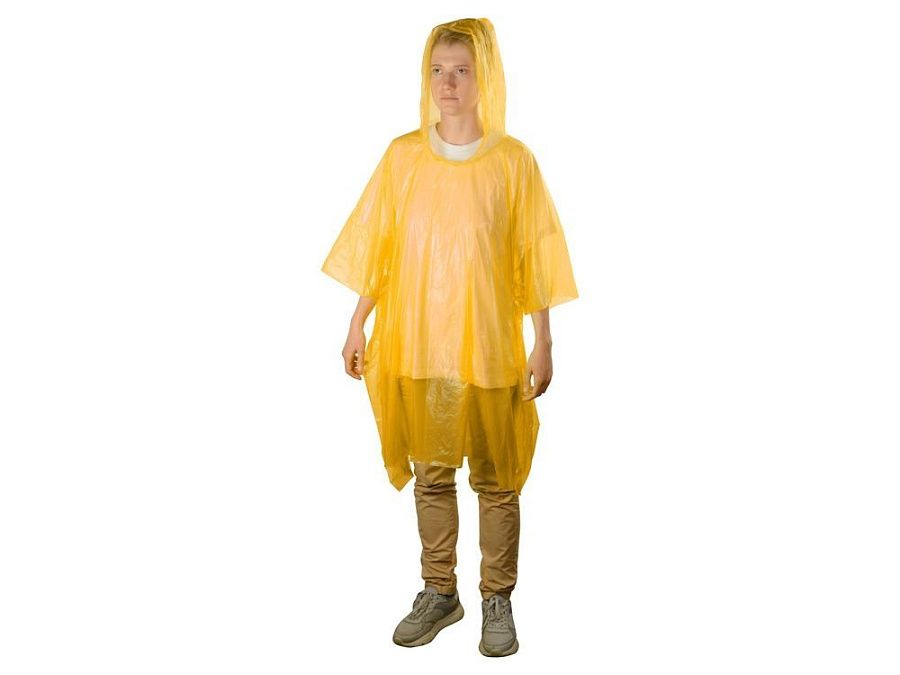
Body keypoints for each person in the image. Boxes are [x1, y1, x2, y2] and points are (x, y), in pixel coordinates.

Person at [321, 17, 578, 657]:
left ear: (484, 76)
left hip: (489, 349)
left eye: (462, 70)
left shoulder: (512, 164)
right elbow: (380, 247)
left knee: (497, 476)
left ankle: (497, 598)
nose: (448, 84)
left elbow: (534, 256)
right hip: (421, 346)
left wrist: (543, 340)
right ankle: (441, 592)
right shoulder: (403, 159)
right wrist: (357, 320)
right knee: (431, 471)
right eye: (438, 70)